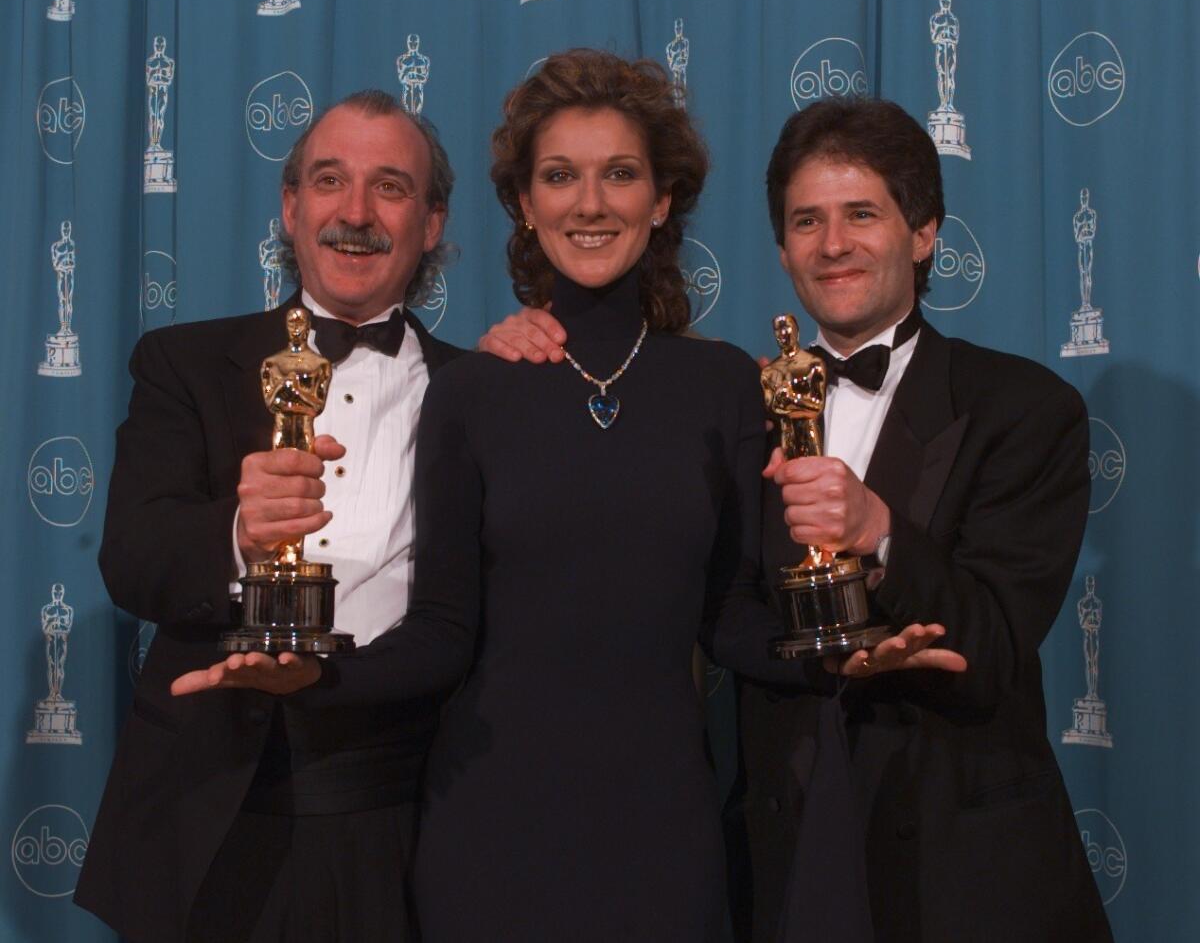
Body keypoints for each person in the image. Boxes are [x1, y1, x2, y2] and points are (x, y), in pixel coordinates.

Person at [174, 53, 961, 942]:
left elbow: (734, 620)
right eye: (560, 176)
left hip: (665, 834)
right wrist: (318, 673)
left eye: (619, 174)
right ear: (524, 203)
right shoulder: (472, 390)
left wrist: (836, 656)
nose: (590, 203)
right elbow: (441, 632)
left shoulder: (727, 387)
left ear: (662, 199)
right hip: (487, 834)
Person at [480, 96, 1112, 942]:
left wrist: (880, 529)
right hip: (782, 854)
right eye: (805, 221)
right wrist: (524, 352)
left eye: (862, 214)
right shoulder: (733, 402)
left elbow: (995, 642)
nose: (833, 244)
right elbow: (700, 596)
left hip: (962, 871)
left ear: (923, 233)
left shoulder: (1024, 407)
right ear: (780, 249)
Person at [74, 89, 460, 943]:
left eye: (390, 188)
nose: (354, 213)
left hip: (401, 806)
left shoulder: (485, 393)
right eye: (329, 181)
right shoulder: (184, 362)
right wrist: (238, 535)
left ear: (431, 223)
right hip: (213, 809)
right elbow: (131, 557)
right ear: (291, 208)